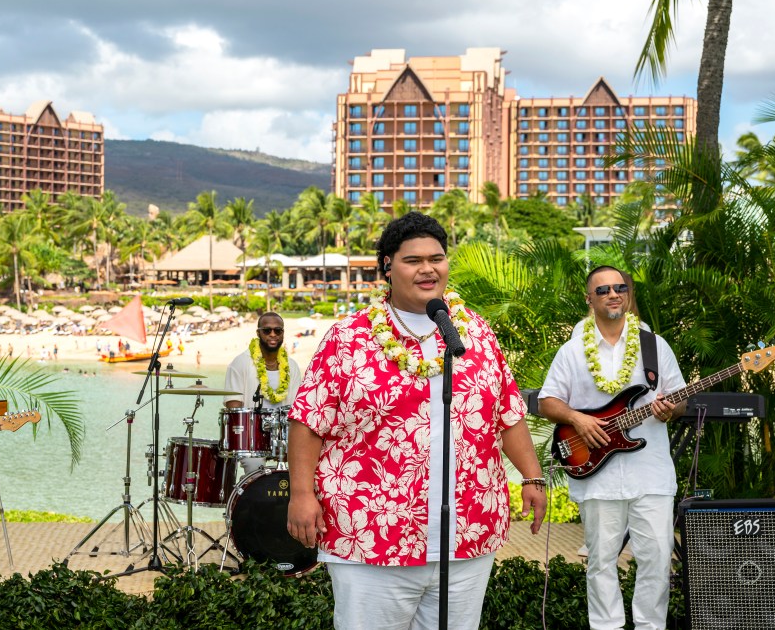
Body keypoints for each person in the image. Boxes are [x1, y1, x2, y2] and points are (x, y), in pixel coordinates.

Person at [287, 212, 546, 630]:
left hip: (467, 533)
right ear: (387, 266)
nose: (428, 269)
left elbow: (508, 412)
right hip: (372, 533)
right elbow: (308, 420)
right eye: (413, 260)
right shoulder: (350, 337)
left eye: (436, 258)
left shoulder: (475, 332)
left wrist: (532, 477)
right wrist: (301, 494)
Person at [538, 265, 686, 630]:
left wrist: (671, 409)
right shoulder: (573, 351)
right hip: (596, 475)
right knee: (601, 562)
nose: (613, 294)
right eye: (603, 290)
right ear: (589, 299)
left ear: (629, 294)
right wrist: (577, 419)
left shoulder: (654, 346)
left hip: (650, 473)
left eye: (620, 287)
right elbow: (547, 401)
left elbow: (679, 398)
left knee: (657, 559)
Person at [224, 312, 302, 475]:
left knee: (303, 462)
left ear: (282, 333)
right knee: (254, 466)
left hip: (283, 435)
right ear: (258, 333)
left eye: (277, 330)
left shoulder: (292, 366)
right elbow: (233, 407)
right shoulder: (240, 363)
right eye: (267, 330)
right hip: (251, 438)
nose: (273, 334)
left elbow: (296, 408)